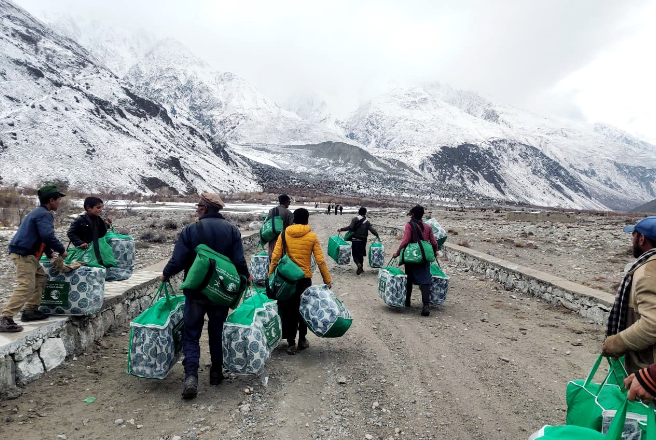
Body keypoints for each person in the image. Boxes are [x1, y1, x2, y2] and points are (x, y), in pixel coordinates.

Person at [160, 193, 252, 399]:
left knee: (191, 334)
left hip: (196, 292)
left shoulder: (191, 230)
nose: (196, 208)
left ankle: (191, 376)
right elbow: (238, 261)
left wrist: (166, 274)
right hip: (220, 292)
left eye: (199, 205)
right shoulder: (232, 230)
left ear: (206, 208)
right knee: (216, 331)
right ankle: (216, 373)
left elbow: (179, 259)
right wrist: (246, 275)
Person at [1, 184, 67, 332]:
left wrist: (49, 253)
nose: (59, 202)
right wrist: (61, 250)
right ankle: (5, 317)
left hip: (28, 254)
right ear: (51, 200)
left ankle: (30, 310)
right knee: (27, 285)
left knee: (40, 279)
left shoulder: (38, 212)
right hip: (24, 254)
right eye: (58, 199)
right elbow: (47, 236)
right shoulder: (45, 214)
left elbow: (40, 237)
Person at [268, 208, 332, 355]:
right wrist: (327, 280)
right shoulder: (312, 237)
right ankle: (302, 340)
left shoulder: (284, 234)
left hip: (287, 280)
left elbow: (275, 257)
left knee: (289, 310)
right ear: (307, 220)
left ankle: (290, 343)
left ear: (294, 219)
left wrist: (270, 275)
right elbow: (320, 261)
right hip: (304, 279)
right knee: (303, 310)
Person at [603, 216, 656, 374]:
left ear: (641, 238)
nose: (631, 239)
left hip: (647, 369)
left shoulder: (647, 272)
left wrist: (614, 343)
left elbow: (652, 325)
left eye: (633, 234)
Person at [392, 205, 438, 317]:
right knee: (425, 280)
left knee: (409, 278)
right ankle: (425, 306)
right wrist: (434, 252)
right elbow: (434, 243)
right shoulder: (428, 227)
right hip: (424, 257)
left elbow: (406, 240)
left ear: (412, 214)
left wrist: (397, 253)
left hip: (412, 257)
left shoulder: (409, 225)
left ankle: (407, 301)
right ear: (422, 214)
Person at [337, 207, 380, 275]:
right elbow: (372, 230)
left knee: (355, 255)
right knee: (361, 254)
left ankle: (358, 264)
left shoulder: (355, 219)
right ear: (365, 213)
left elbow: (350, 227)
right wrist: (377, 235)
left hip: (355, 240)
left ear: (359, 212)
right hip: (363, 240)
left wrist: (341, 229)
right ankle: (361, 268)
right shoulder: (367, 222)